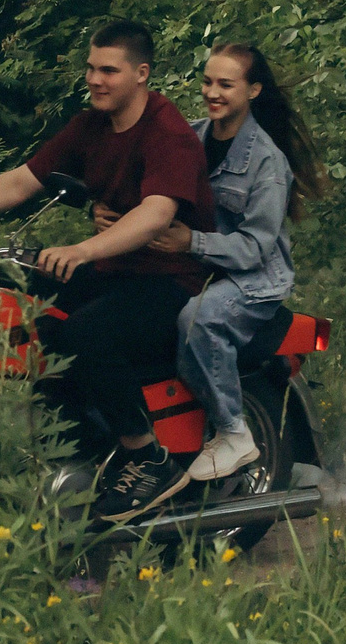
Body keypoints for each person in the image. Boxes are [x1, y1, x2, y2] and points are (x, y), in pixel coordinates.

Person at [0, 20, 216, 521]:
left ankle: (146, 453)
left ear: (141, 74)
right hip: (114, 271)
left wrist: (84, 249)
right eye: (90, 68)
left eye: (109, 70)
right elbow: (21, 181)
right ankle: (72, 442)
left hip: (169, 281)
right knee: (15, 308)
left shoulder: (170, 134)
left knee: (86, 334)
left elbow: (156, 213)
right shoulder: (90, 127)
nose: (95, 79)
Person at [135, 43, 325, 482]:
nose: (212, 91)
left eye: (226, 84)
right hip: (200, 268)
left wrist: (191, 243)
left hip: (253, 279)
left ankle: (234, 431)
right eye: (207, 81)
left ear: (254, 90)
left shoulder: (267, 162)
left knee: (198, 319)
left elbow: (255, 248)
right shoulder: (191, 137)